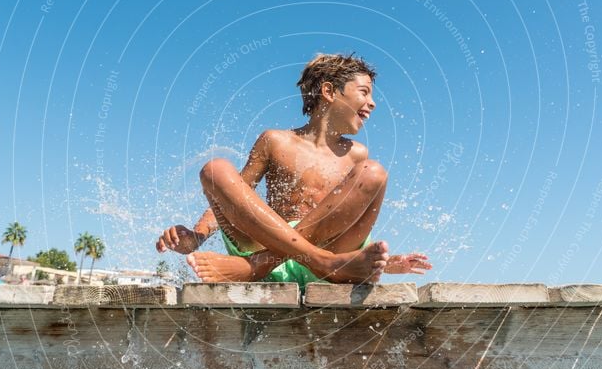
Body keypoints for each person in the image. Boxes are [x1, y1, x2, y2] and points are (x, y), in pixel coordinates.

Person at [156, 53, 431, 287]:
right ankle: (308, 260)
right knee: (215, 169)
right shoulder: (275, 141)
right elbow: (235, 198)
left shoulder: (358, 154)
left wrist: (390, 263)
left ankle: (260, 265)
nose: (373, 103)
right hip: (268, 244)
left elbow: (351, 219)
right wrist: (197, 235)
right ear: (329, 92)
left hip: (329, 255)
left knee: (374, 172)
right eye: (364, 92)